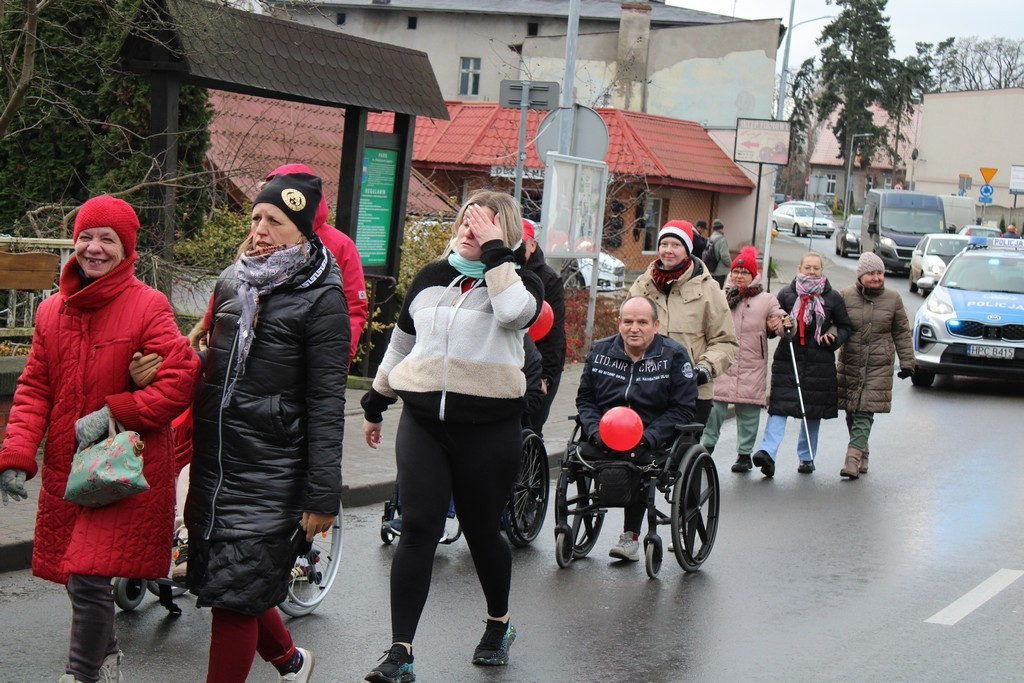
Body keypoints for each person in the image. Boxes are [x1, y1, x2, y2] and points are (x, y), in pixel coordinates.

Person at [0, 195, 200, 683]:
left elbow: (182, 377)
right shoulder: (52, 312)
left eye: (107, 239)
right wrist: (17, 455)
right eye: (86, 237)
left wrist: (119, 409)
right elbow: (33, 390)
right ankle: (107, 658)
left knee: (89, 577)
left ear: (126, 248)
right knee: (77, 576)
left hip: (126, 469)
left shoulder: (147, 305)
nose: (94, 248)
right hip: (73, 472)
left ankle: (81, 674)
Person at [361, 190, 543, 682]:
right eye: (465, 220)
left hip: (490, 430)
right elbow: (401, 345)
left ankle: (498, 622)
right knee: (418, 526)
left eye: (481, 223)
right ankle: (400, 652)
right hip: (424, 424)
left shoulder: (520, 283)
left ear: (501, 231)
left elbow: (513, 315)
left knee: (483, 529)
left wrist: (495, 253)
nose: (469, 229)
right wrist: (376, 403)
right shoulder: (431, 277)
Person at [185, 172, 348, 683]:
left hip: (274, 472)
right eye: (256, 217)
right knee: (237, 585)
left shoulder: (323, 298)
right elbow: (215, 366)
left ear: (302, 231)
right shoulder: (233, 280)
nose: (259, 229)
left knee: (233, 601)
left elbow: (326, 402)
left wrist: (323, 496)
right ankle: (291, 663)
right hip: (218, 464)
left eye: (274, 221)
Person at [576, 296, 698, 561]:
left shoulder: (674, 355)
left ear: (656, 325)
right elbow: (585, 399)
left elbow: (682, 408)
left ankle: (631, 536)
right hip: (604, 436)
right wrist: (597, 432)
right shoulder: (600, 351)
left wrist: (647, 438)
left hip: (651, 438)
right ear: (619, 323)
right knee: (576, 459)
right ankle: (569, 529)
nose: (634, 328)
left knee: (642, 467)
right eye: (628, 321)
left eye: (642, 322)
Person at [751, 252, 852, 477]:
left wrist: (834, 338)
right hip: (789, 359)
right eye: (808, 267)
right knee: (779, 407)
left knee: (812, 412)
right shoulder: (786, 294)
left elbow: (845, 326)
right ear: (799, 268)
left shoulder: (832, 297)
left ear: (822, 270)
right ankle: (767, 453)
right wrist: (779, 325)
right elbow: (771, 323)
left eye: (816, 268)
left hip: (819, 363)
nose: (812, 272)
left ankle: (806, 457)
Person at [628, 220, 737, 425]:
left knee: (678, 454)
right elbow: (625, 331)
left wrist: (705, 368)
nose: (668, 250)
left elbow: (726, 341)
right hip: (645, 389)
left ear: (687, 250)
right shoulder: (641, 286)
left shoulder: (709, 289)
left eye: (676, 245)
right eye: (664, 244)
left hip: (691, 393)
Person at [265, 162, 368, 365]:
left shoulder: (341, 245)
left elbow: (354, 307)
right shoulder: (262, 236)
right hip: (262, 357)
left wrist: (338, 360)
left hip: (316, 359)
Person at [701, 246, 785, 473]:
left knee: (748, 414)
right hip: (723, 361)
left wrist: (785, 324)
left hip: (751, 364)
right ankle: (705, 448)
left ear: (753, 275)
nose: (739, 276)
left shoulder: (766, 299)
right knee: (714, 410)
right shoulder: (719, 295)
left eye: (744, 272)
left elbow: (780, 318)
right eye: (736, 271)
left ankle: (744, 455)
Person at [836, 252, 916, 479]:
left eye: (880, 273)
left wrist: (908, 362)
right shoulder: (845, 296)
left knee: (864, 411)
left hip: (878, 365)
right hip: (851, 362)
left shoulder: (893, 299)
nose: (877, 277)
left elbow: (901, 332)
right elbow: (837, 326)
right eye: (871, 273)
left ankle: (851, 460)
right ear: (861, 275)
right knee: (852, 410)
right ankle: (863, 452)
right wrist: (829, 340)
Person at [520, 218, 566, 437]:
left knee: (531, 424)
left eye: (522, 242)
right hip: (508, 358)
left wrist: (544, 376)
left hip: (542, 360)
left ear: (532, 245)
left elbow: (553, 332)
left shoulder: (548, 279)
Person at [706, 219, 731, 287]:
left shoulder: (709, 239)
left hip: (711, 270)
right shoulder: (722, 239)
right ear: (721, 228)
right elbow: (724, 256)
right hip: (721, 272)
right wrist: (731, 265)